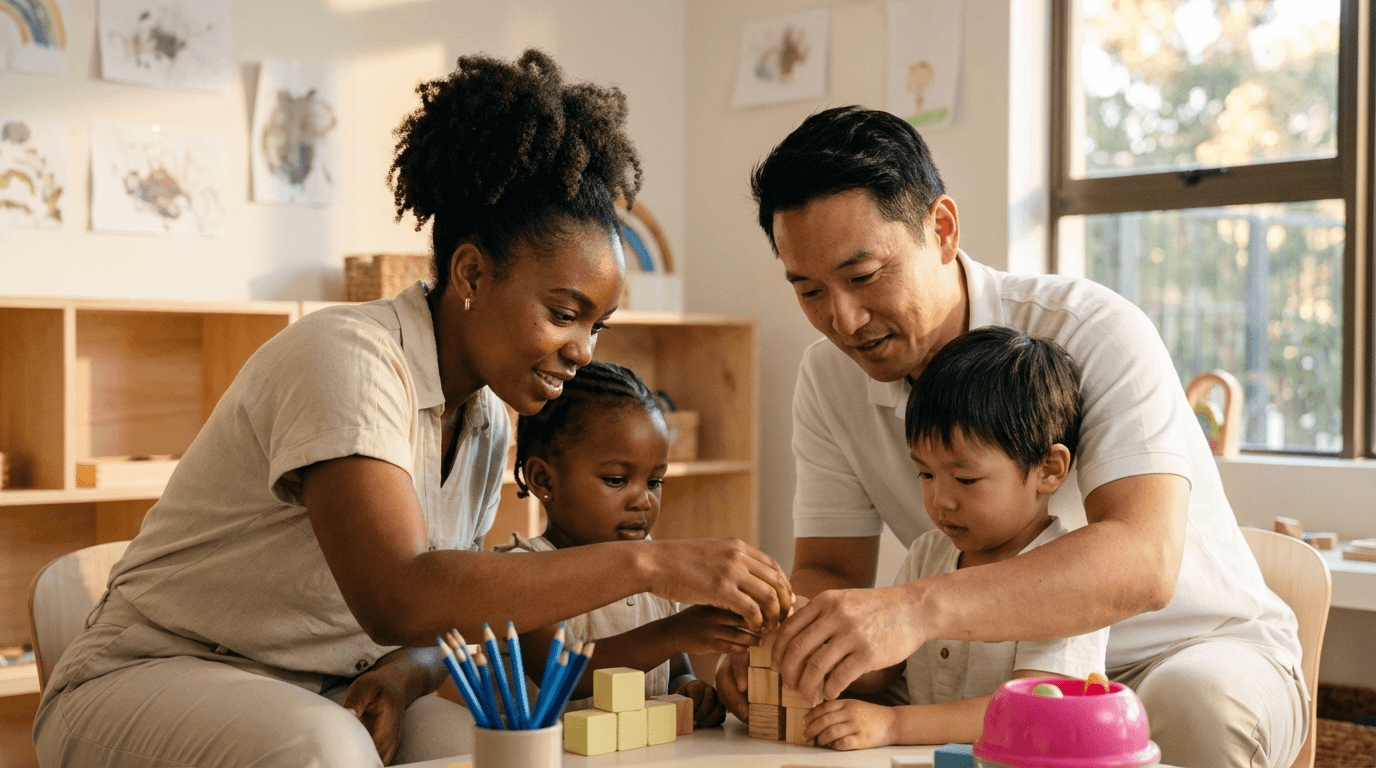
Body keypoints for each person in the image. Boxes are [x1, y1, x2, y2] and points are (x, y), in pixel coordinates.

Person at [33, 50, 791, 768]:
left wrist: (404, 676)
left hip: (326, 685)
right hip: (155, 675)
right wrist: (654, 562)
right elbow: (399, 595)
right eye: (564, 312)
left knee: (506, 735)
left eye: (597, 325)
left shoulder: (489, 416)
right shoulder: (346, 357)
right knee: (325, 752)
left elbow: (441, 621)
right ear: (471, 272)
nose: (583, 348)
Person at [716, 105, 1304, 768]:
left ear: (941, 229)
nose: (844, 320)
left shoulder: (1091, 330)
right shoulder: (829, 378)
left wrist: (913, 610)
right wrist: (792, 648)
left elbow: (1143, 562)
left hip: (1186, 650)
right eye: (808, 290)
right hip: (989, 679)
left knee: (1192, 702)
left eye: (862, 277)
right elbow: (828, 571)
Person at [802, 326, 1107, 750]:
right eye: (925, 474)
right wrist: (814, 640)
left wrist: (892, 726)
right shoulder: (930, 552)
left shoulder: (1066, 576)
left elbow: (1033, 711)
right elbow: (883, 670)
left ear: (1049, 469)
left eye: (965, 478)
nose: (940, 500)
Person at [495, 359, 754, 728]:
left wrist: (688, 686)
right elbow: (558, 674)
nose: (643, 500)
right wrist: (675, 631)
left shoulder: (655, 565)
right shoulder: (520, 571)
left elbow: (673, 662)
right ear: (543, 480)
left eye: (654, 481)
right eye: (617, 480)